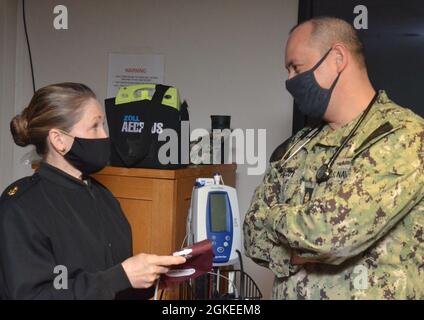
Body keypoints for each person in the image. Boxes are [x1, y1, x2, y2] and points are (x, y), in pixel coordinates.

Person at [243, 16, 424, 299]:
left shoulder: (405, 136)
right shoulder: (296, 146)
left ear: (337, 58)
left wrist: (274, 219)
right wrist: (297, 249)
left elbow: (331, 234)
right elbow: (252, 236)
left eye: (296, 67)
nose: (290, 80)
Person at [0, 82, 185, 299]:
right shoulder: (20, 207)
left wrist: (150, 278)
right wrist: (121, 277)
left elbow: (114, 283)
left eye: (104, 125)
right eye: (95, 126)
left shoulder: (104, 197)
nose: (105, 136)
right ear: (59, 140)